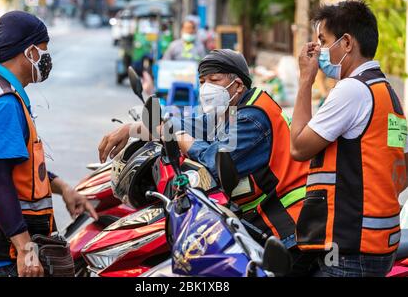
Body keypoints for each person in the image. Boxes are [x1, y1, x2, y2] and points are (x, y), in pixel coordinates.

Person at [98, 49, 313, 276]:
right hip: (259, 218)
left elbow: (212, 159)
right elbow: (189, 123)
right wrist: (131, 129)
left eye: (214, 80)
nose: (206, 88)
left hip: (288, 225)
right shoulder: (231, 110)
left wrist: (178, 137)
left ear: (238, 85)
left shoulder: (252, 117)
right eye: (202, 81)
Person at [0, 11, 98, 277]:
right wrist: (25, 249)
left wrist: (64, 188)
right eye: (44, 50)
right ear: (29, 52)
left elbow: (18, 166)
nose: (47, 58)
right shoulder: (3, 105)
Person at [290, 0, 408, 277]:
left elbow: (297, 147)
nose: (318, 50)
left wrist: (306, 80)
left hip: (350, 249)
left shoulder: (351, 91)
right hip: (378, 243)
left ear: (346, 43)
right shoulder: (387, 94)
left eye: (323, 40)